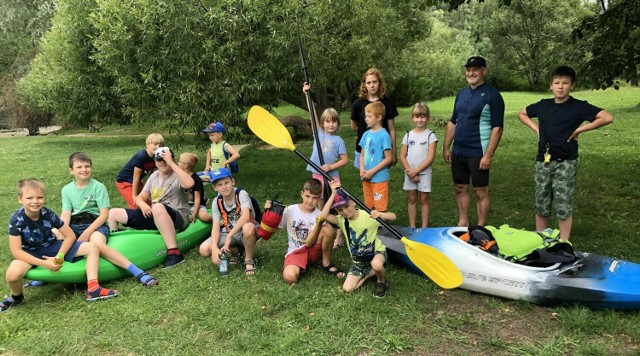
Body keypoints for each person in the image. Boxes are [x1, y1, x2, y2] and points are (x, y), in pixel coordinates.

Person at [517, 66, 614, 240]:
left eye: (565, 83)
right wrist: (536, 128)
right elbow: (522, 113)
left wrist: (579, 131)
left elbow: (607, 117)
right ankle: (541, 240)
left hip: (566, 162)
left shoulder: (578, 107)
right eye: (557, 83)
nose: (560, 87)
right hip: (543, 160)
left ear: (572, 85)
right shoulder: (543, 105)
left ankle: (563, 243)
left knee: (563, 204)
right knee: (542, 202)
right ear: (551, 86)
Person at [2, 179, 119, 312]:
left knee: (92, 247)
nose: (35, 201)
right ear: (20, 199)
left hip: (52, 246)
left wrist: (60, 256)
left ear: (44, 198)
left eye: (39, 197)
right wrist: (44, 263)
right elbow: (16, 251)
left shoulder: (48, 214)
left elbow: (70, 236)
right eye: (30, 198)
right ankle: (16, 297)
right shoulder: (16, 220)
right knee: (12, 275)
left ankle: (93, 288)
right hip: (29, 252)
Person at [61, 152, 158, 287]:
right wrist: (64, 232)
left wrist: (86, 233)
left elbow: (103, 215)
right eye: (79, 167)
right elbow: (65, 215)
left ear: (91, 168)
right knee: (53, 235)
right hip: (74, 224)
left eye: (87, 166)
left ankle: (137, 272)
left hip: (96, 224)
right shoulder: (66, 190)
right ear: (71, 170)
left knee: (98, 245)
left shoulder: (98, 187)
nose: (84, 169)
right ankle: (49, 269)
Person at [443, 56, 504, 227]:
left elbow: (497, 128)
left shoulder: (493, 95)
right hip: (459, 151)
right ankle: (462, 223)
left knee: (480, 191)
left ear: (484, 71)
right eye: (468, 70)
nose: (471, 73)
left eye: (475, 70)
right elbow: (453, 121)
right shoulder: (461, 93)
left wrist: (489, 155)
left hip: (478, 152)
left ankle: (480, 227)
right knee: (460, 188)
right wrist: (447, 147)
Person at [108, 147, 194, 268]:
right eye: (159, 160)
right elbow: (139, 197)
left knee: (157, 207)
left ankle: (175, 254)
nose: (163, 162)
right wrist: (142, 204)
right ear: (155, 162)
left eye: (165, 159)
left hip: (178, 217)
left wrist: (171, 163)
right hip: (156, 215)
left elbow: (190, 183)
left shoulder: (178, 174)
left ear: (171, 159)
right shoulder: (154, 176)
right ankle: (112, 251)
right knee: (113, 213)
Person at [319, 181, 396, 298]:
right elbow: (323, 216)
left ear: (353, 203)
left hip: (377, 253)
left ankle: (381, 281)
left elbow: (393, 216)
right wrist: (333, 193)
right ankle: (369, 273)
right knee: (347, 289)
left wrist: (381, 214)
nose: (344, 211)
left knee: (376, 263)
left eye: (346, 206)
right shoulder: (341, 220)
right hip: (359, 262)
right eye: (340, 210)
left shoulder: (368, 215)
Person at [268, 178, 344, 285]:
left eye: (314, 198)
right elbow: (276, 228)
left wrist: (334, 193)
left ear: (319, 199)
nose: (310, 201)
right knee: (290, 277)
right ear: (302, 194)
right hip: (296, 252)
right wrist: (262, 230)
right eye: (307, 196)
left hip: (313, 250)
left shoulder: (319, 214)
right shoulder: (290, 210)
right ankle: (297, 266)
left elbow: (312, 241)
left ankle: (326, 263)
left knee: (328, 229)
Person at [302, 82, 349, 247]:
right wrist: (308, 94)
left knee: (338, 204)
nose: (330, 124)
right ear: (322, 123)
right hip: (316, 175)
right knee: (320, 203)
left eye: (334, 122)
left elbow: (344, 160)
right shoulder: (318, 133)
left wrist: (330, 167)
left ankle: (339, 236)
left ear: (337, 123)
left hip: (332, 176)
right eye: (327, 122)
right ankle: (322, 229)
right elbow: (313, 114)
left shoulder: (338, 140)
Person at [198, 168, 259, 276]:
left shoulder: (241, 194)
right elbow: (215, 227)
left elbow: (245, 217)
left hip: (244, 231)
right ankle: (236, 251)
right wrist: (214, 247)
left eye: (227, 182)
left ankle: (248, 260)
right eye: (220, 185)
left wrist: (229, 236)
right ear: (214, 187)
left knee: (248, 227)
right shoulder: (217, 202)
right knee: (204, 249)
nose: (224, 187)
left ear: (233, 182)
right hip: (227, 231)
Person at [351, 68, 399, 168]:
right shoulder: (358, 103)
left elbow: (392, 130)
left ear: (379, 83)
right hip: (364, 148)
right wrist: (369, 132)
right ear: (364, 85)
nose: (372, 85)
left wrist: (394, 152)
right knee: (365, 179)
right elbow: (354, 126)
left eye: (375, 82)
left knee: (380, 179)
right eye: (369, 82)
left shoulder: (388, 103)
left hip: (382, 149)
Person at [400, 103, 438, 228]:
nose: (419, 119)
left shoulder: (430, 136)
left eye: (422, 117)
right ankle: (412, 226)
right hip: (409, 173)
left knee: (424, 200)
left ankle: (424, 228)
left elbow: (430, 158)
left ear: (427, 118)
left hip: (424, 173)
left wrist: (416, 171)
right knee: (411, 199)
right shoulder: (408, 135)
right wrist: (410, 171)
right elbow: (402, 156)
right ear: (412, 118)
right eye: (417, 117)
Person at [115, 133, 165, 208]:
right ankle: (133, 218)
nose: (157, 147)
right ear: (147, 144)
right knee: (136, 204)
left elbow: (153, 175)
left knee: (148, 203)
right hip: (124, 181)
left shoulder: (156, 157)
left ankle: (150, 219)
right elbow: (136, 176)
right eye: (155, 144)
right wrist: (135, 196)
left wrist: (150, 191)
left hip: (137, 181)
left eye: (160, 145)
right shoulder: (141, 156)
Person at [359, 101, 393, 212]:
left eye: (369, 116)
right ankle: (372, 228)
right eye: (365, 116)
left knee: (380, 209)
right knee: (368, 207)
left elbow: (389, 158)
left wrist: (372, 172)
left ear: (378, 117)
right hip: (366, 177)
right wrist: (362, 170)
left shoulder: (384, 135)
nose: (366, 119)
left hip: (379, 179)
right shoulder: (366, 134)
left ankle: (382, 228)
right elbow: (362, 155)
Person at [178, 152, 212, 223]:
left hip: (196, 205)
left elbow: (197, 199)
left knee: (204, 217)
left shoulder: (196, 180)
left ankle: (218, 220)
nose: (178, 163)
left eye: (179, 161)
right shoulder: (180, 176)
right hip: (184, 205)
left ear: (185, 165)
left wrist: (195, 213)